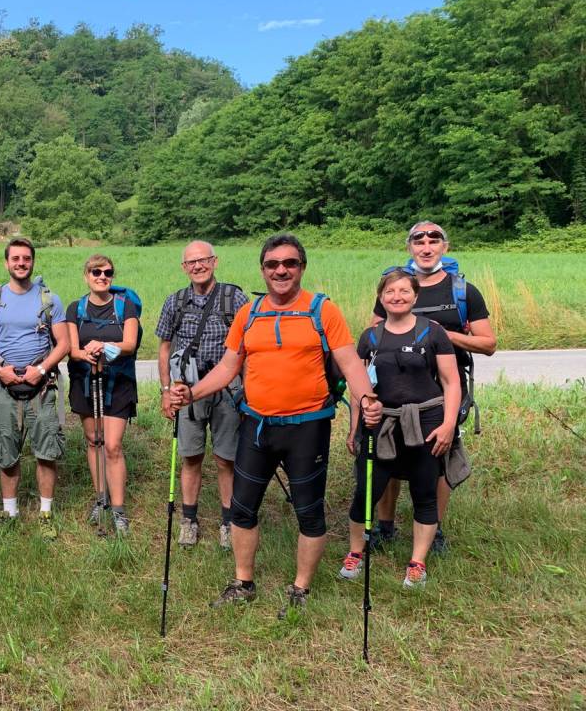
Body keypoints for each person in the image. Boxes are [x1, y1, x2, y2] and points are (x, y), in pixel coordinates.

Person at [170, 234, 382, 617]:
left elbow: (350, 362)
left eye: (290, 263)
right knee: (242, 509)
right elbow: (228, 366)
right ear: (263, 270)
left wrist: (367, 400)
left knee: (309, 512)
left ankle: (300, 588)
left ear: (301, 267)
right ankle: (243, 582)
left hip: (308, 426)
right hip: (257, 425)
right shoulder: (248, 313)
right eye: (272, 264)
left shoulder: (322, 310)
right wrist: (192, 393)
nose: (281, 270)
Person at [371, 221, 497, 554]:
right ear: (409, 246)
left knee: (439, 455)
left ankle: (434, 529)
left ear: (445, 246)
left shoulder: (462, 291)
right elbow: (373, 335)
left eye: (434, 240)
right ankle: (385, 527)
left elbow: (488, 343)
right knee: (389, 453)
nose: (426, 246)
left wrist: (441, 334)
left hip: (444, 389)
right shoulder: (395, 286)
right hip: (394, 387)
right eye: (419, 240)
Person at [340, 268, 461, 589]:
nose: (397, 297)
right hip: (379, 424)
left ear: (415, 296)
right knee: (365, 494)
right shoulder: (371, 337)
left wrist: (449, 425)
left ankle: (417, 562)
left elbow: (451, 382)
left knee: (424, 494)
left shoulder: (433, 334)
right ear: (381, 298)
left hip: (427, 423)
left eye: (404, 292)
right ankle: (355, 552)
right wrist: (354, 428)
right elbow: (359, 388)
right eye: (390, 292)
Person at [0, 238, 70, 539]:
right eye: (15, 258)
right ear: (6, 263)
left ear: (33, 262)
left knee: (46, 451)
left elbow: (64, 343)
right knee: (6, 451)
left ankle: (44, 513)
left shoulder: (49, 300)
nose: (21, 263)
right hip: (4, 387)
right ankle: (10, 512)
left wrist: (40, 370)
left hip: (41, 387)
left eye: (26, 258)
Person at [156, 240, 247, 550]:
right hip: (187, 391)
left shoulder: (234, 297)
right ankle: (189, 520)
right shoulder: (175, 301)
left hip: (227, 390)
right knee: (190, 456)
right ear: (184, 267)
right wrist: (166, 391)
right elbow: (165, 347)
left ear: (214, 261)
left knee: (226, 459)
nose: (197, 266)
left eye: (203, 260)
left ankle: (227, 523)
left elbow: (248, 346)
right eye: (191, 262)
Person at [66, 254, 140, 535]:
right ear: (86, 275)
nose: (102, 277)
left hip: (117, 382)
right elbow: (73, 349)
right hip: (86, 380)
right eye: (96, 272)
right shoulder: (76, 308)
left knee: (112, 445)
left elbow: (130, 344)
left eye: (107, 272)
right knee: (94, 440)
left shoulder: (125, 306)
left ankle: (119, 509)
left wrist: (103, 344)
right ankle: (101, 499)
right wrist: (84, 353)